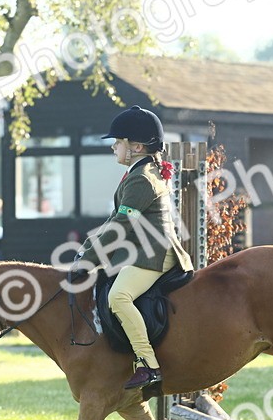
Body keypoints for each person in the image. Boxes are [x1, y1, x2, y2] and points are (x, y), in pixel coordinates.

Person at [77, 106, 193, 390]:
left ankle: (148, 364)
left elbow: (121, 225)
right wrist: (88, 250)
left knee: (118, 297)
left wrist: (88, 259)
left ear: (137, 147)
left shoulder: (141, 179)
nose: (114, 147)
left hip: (155, 254)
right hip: (144, 251)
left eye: (118, 142)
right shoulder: (140, 171)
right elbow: (114, 221)